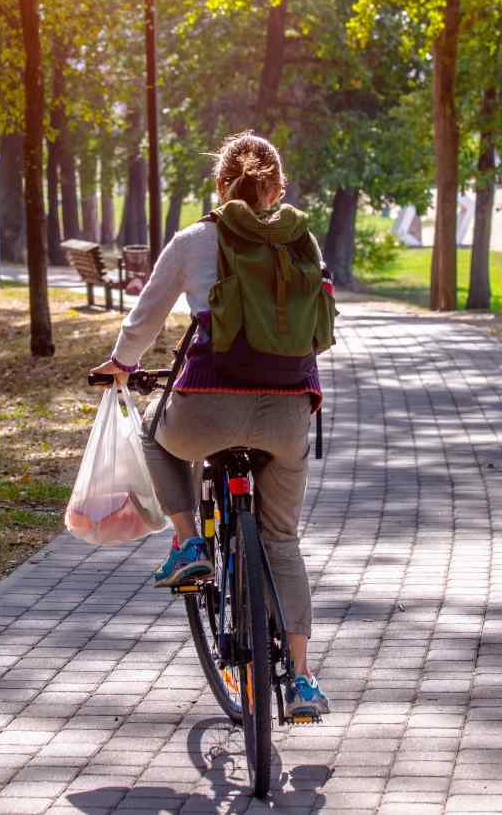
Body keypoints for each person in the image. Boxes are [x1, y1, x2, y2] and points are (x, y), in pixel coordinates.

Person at [91, 132, 330, 718]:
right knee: (282, 541)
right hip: (288, 413)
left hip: (204, 409)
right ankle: (300, 679)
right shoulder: (302, 240)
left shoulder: (197, 238)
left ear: (220, 185)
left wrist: (121, 367)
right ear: (278, 188)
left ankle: (189, 540)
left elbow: (145, 317)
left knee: (153, 432)